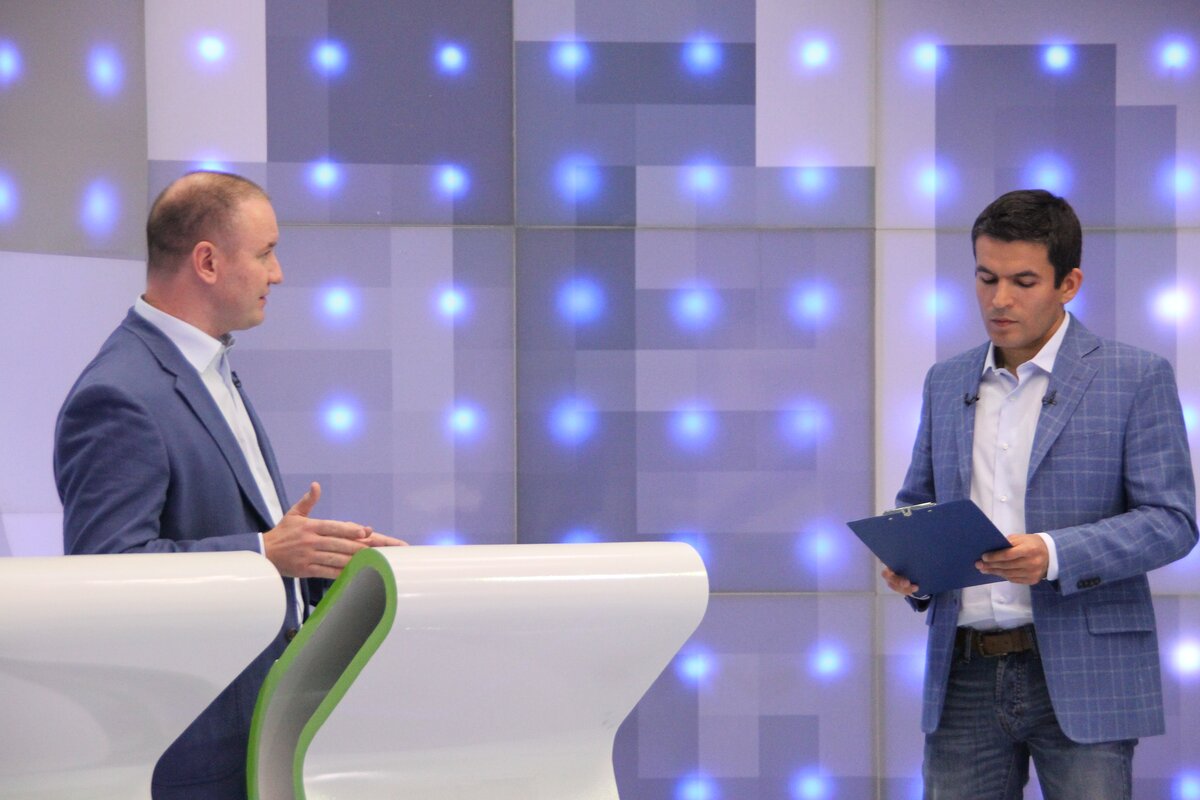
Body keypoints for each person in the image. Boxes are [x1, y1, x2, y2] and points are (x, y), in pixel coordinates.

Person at [54, 171, 403, 799]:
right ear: (208, 262)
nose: (279, 274)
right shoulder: (119, 393)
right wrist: (264, 553)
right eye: (266, 253)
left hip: (256, 740)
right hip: (192, 759)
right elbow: (104, 574)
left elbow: (235, 531)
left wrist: (330, 561)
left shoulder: (207, 366)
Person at [883, 189, 1197, 799]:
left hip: (1086, 671)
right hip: (964, 671)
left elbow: (1172, 521)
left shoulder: (1136, 377)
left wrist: (1053, 554)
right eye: (986, 278)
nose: (999, 299)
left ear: (1068, 283)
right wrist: (911, 564)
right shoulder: (945, 381)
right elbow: (918, 501)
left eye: (1023, 281)